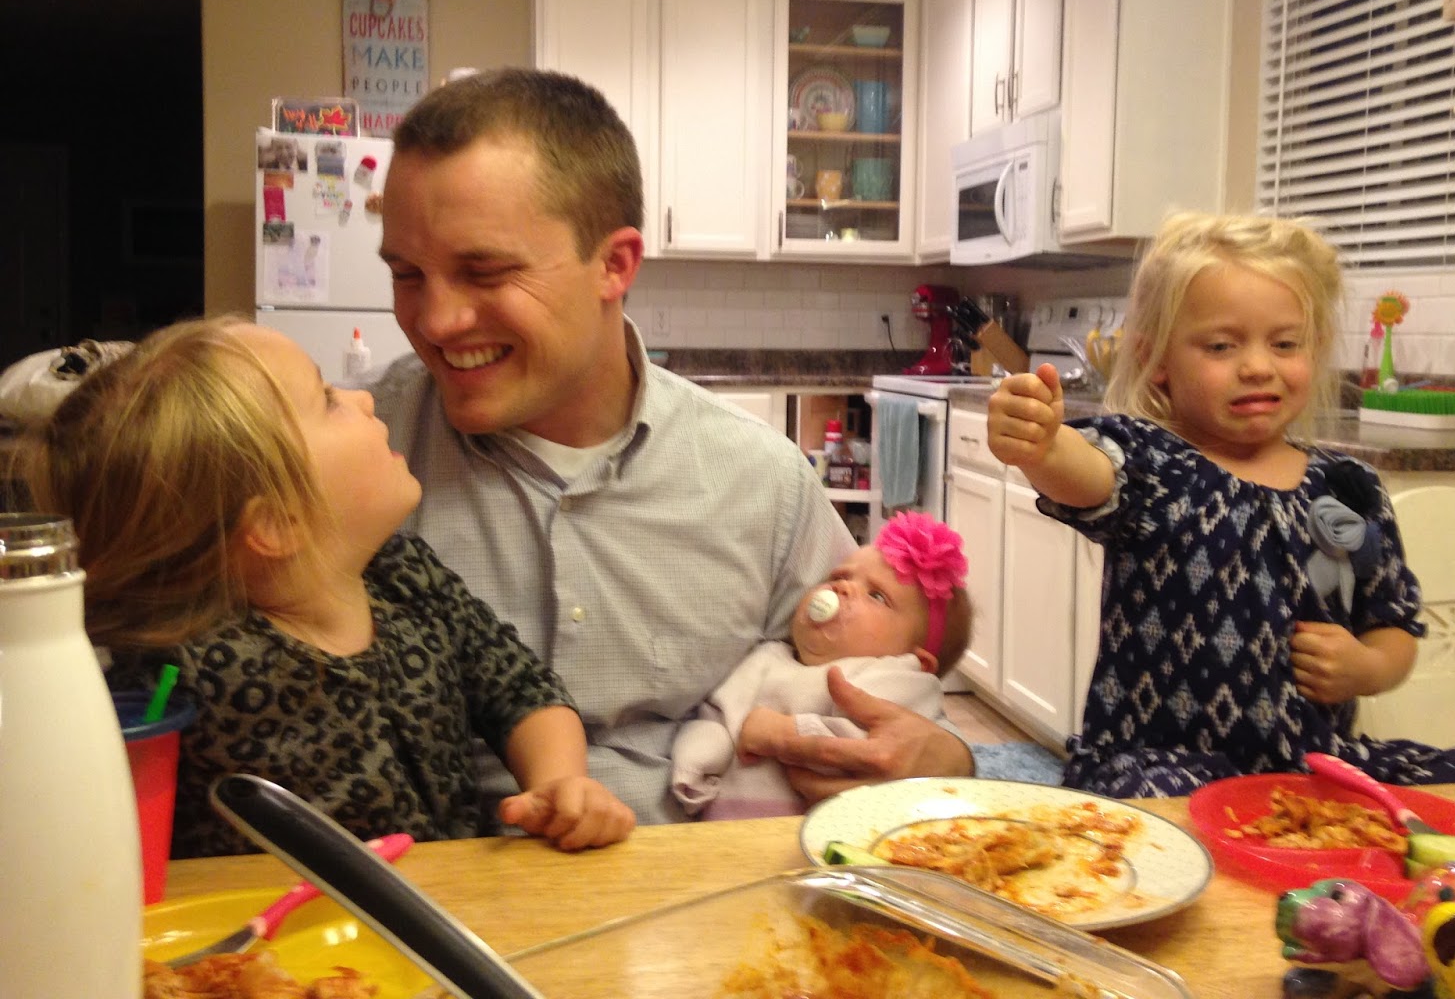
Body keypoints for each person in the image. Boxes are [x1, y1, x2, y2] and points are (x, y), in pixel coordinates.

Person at [369, 67, 973, 825]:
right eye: (406, 274)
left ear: (614, 265)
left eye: (483, 272)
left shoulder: (762, 484)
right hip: (431, 876)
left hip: (700, 878)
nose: (435, 321)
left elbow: (888, 681)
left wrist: (947, 760)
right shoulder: (353, 457)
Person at [22, 316, 635, 857]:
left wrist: (558, 782)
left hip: (444, 914)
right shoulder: (177, 670)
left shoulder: (405, 576)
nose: (362, 398)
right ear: (276, 522)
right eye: (327, 400)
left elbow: (520, 689)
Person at [986, 211, 1455, 797]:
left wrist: (1368, 668)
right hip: (1167, 767)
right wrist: (1043, 446)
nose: (1258, 366)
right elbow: (1086, 474)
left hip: (1314, 768)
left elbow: (1393, 625)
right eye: (1221, 345)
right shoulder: (1154, 462)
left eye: (1284, 344)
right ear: (1158, 362)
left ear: (1316, 350)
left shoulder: (1348, 489)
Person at [671, 511, 972, 819]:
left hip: (821, 832)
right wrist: (701, 754)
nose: (842, 588)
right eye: (839, 577)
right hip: (724, 829)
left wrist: (784, 733)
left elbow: (874, 752)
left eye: (877, 596)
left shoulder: (893, 677)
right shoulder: (767, 657)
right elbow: (718, 713)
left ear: (916, 660)